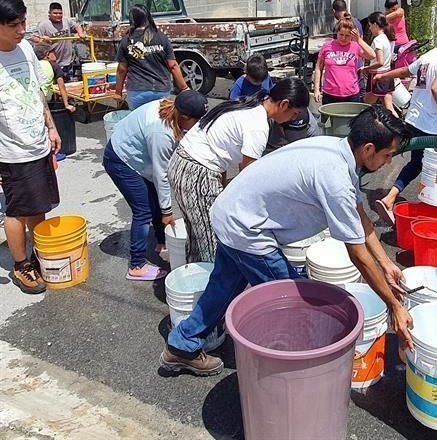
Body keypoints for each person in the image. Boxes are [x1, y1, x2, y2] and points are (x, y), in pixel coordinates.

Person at [160, 106, 415, 376]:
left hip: (232, 212)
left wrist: (386, 264)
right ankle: (296, 369)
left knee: (223, 286)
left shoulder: (334, 147)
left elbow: (358, 213)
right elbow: (358, 255)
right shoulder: (335, 176)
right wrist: (394, 306)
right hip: (247, 229)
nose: (388, 162)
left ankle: (181, 346)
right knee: (292, 302)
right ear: (368, 148)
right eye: (387, 155)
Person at [169, 78, 308, 263]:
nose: (292, 119)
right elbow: (248, 177)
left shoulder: (246, 104)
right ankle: (212, 289)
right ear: (284, 104)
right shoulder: (257, 125)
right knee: (215, 243)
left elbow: (220, 147)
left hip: (181, 163)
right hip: (197, 174)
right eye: (294, 114)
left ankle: (196, 284)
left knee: (197, 237)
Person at [103, 91, 208, 281]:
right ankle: (136, 266)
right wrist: (167, 212)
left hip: (138, 155)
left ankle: (161, 241)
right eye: (197, 121)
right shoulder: (161, 133)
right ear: (185, 117)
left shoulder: (172, 107)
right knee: (143, 210)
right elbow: (162, 175)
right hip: (121, 160)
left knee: (155, 199)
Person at [371, 18, 437, 220]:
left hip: (414, 120)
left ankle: (390, 198)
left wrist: (385, 76)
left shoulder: (429, 56)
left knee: (417, 163)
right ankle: (434, 212)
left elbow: (406, 70)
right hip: (434, 126)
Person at [0, 0, 62, 294]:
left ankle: (39, 253)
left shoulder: (25, 48)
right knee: (16, 209)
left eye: (23, 22)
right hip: (11, 152)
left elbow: (37, 91)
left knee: (39, 204)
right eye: (14, 25)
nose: (22, 30)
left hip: (37, 142)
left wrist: (51, 127)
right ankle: (21, 265)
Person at [115, 5, 189, 109]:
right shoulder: (162, 38)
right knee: (159, 122)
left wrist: (118, 93)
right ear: (148, 18)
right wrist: (184, 88)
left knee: (138, 123)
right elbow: (173, 66)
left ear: (132, 20)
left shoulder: (126, 40)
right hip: (161, 90)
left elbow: (122, 70)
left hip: (137, 91)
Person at [312, 17, 375, 105]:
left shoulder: (355, 46)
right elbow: (319, 67)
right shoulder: (327, 46)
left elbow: (372, 55)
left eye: (347, 36)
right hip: (330, 93)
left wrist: (359, 40)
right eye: (341, 34)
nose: (343, 38)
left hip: (351, 94)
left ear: (352, 36)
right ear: (336, 33)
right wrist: (316, 89)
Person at [31, 2, 84, 80]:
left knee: (70, 81)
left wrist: (81, 33)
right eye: (55, 13)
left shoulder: (66, 21)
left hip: (68, 60)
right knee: (57, 83)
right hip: (54, 61)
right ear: (49, 14)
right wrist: (41, 39)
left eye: (60, 13)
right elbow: (33, 37)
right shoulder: (44, 25)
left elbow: (77, 26)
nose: (58, 15)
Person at [362, 12, 396, 115]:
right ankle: (400, 128)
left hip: (377, 76)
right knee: (389, 107)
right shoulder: (389, 38)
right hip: (388, 74)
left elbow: (380, 62)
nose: (370, 29)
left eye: (370, 25)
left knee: (365, 106)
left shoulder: (378, 40)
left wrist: (366, 68)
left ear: (375, 25)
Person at [34, 43, 75, 113]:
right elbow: (61, 87)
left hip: (34, 97)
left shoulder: (34, 65)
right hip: (45, 98)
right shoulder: (54, 66)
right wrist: (67, 104)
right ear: (47, 55)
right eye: (53, 52)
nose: (56, 53)